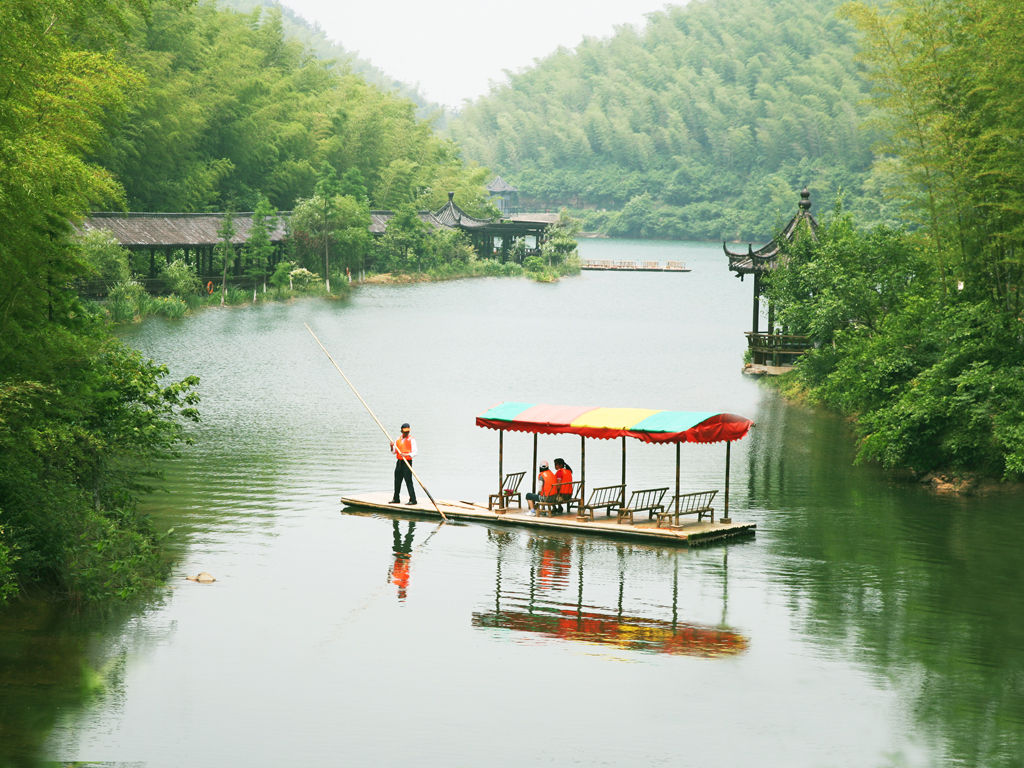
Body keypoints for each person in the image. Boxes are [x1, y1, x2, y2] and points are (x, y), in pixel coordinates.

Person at [389, 422, 417, 505]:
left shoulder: (412, 439)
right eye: (405, 431)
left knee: (408, 481)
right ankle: (396, 498)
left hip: (407, 462)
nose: (406, 433)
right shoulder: (398, 439)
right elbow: (394, 452)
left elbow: (415, 452)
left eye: (407, 431)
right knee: (397, 480)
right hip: (399, 462)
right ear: (401, 431)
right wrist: (391, 446)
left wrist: (406, 454)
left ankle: (413, 500)